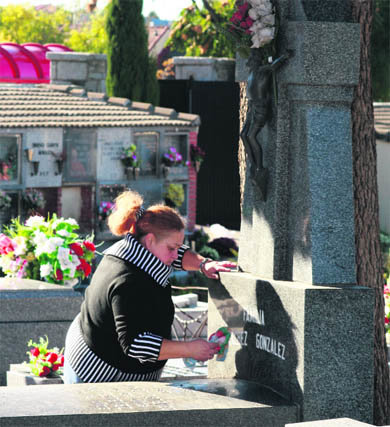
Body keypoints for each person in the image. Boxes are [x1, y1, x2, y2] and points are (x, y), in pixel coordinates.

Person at [64, 190, 236, 383]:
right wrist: (189, 349)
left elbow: (177, 254)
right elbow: (135, 344)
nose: (175, 255)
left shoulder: (136, 247)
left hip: (120, 367)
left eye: (178, 247)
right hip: (97, 373)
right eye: (172, 248)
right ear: (150, 239)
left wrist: (204, 264)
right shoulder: (127, 280)